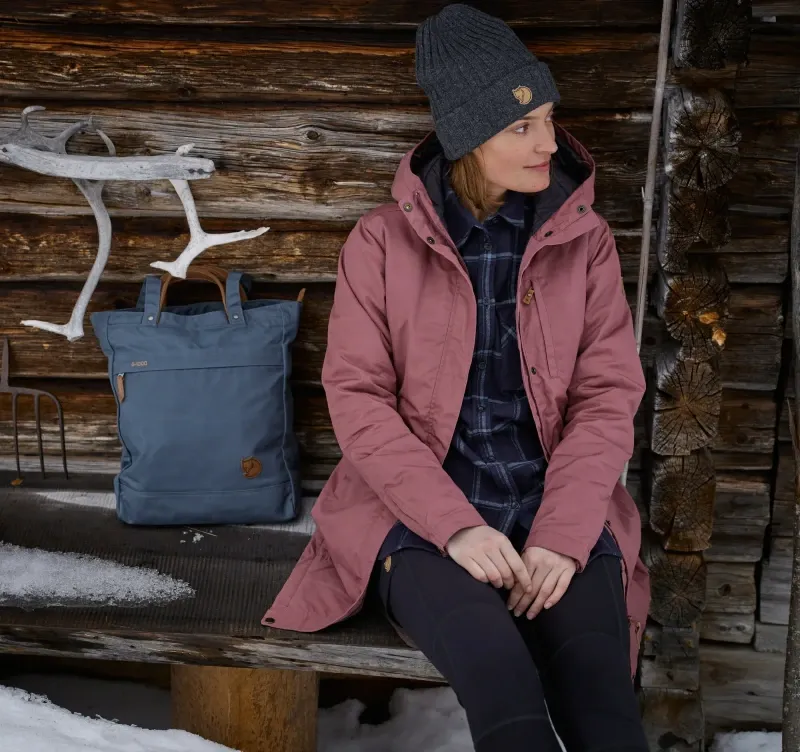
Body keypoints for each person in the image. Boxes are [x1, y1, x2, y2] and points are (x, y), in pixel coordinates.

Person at [263, 4, 651, 750]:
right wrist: (457, 527)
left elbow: (608, 397)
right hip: (417, 516)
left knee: (603, 701)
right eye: (521, 126)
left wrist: (565, 536)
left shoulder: (586, 241)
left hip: (558, 507)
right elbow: (359, 399)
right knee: (505, 691)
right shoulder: (380, 243)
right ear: (470, 137)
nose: (549, 141)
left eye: (547, 117)